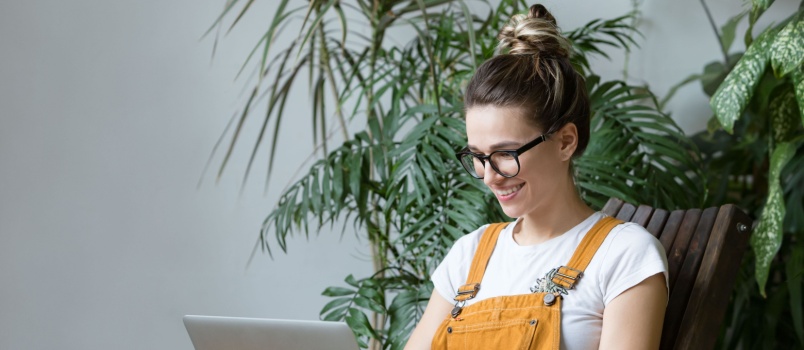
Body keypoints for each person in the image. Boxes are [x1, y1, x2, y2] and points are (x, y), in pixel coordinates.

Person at [404, 4, 668, 350]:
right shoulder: (469, 256)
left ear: (565, 142)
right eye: (479, 157)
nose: (489, 177)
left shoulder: (623, 254)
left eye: (505, 154)